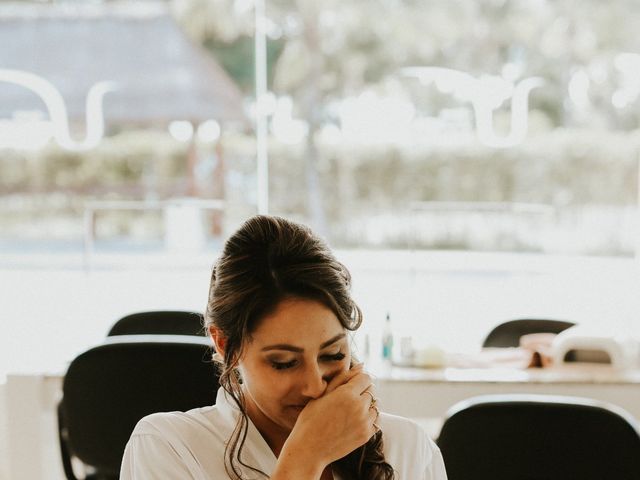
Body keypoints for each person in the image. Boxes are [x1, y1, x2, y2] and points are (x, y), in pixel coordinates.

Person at [120, 215, 447, 480]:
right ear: (224, 344)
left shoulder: (407, 446)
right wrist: (306, 456)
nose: (314, 385)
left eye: (333, 355)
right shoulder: (168, 446)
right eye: (284, 362)